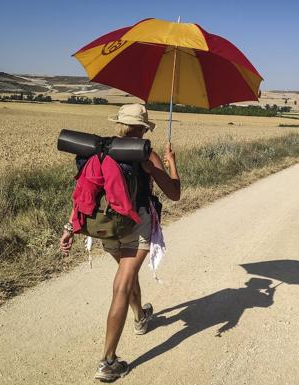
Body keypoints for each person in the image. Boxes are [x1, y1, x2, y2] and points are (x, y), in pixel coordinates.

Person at [59, 104, 181, 382]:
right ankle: (108, 361)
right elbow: (174, 193)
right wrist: (171, 160)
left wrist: (70, 227)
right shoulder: (144, 154)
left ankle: (140, 316)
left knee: (128, 274)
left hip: (105, 228)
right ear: (142, 129)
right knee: (123, 284)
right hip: (135, 225)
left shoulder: (101, 151)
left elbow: (85, 193)